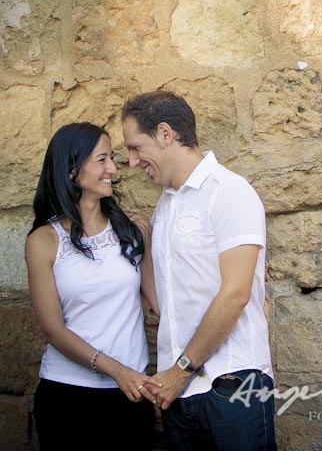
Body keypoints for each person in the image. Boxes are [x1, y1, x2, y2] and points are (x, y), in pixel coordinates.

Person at [121, 91, 276, 451]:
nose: (131, 162)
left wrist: (180, 370)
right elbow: (169, 302)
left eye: (135, 147)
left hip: (233, 384)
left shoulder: (230, 192)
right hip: (181, 395)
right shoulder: (165, 206)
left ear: (164, 134)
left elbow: (235, 295)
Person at [25, 122, 163, 451]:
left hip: (131, 395)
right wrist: (117, 370)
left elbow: (158, 303)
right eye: (102, 160)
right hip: (67, 398)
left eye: (112, 158)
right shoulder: (43, 242)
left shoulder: (135, 231)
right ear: (71, 170)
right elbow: (53, 330)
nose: (113, 169)